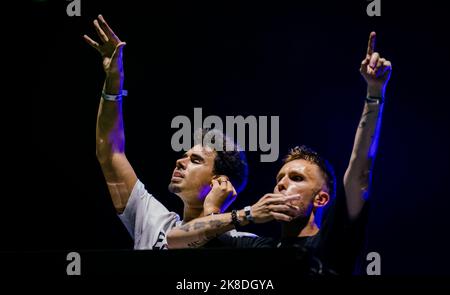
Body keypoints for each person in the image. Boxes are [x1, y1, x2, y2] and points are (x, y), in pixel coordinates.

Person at [167, 32, 392, 274]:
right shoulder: (258, 247)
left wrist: (374, 93)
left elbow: (360, 168)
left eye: (296, 178)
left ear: (321, 199)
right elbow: (175, 241)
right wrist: (229, 212)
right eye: (279, 179)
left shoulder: (334, 242)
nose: (281, 185)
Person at [83, 15, 252, 250]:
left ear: (220, 182)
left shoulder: (243, 244)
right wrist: (114, 81)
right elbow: (110, 152)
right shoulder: (154, 222)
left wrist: (214, 214)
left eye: (195, 160)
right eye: (185, 155)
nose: (179, 162)